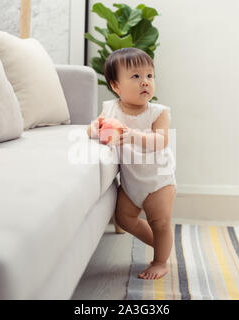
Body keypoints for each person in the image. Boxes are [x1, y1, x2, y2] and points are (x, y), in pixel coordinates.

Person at [87, 47, 177, 280]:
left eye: (149, 75)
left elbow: (161, 140)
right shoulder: (111, 109)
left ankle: (160, 261)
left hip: (158, 180)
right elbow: (94, 128)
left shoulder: (158, 112)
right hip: (131, 182)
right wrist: (95, 129)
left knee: (160, 221)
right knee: (125, 218)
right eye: (136, 77)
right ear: (116, 86)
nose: (145, 82)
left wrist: (134, 135)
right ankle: (160, 244)